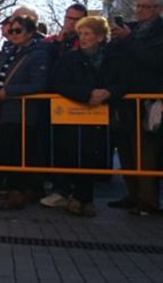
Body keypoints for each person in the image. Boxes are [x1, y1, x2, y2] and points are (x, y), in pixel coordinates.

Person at [51, 16, 125, 217]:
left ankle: (85, 198)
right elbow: (58, 83)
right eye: (81, 34)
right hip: (74, 113)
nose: (83, 38)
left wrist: (108, 92)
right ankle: (77, 196)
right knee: (73, 153)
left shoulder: (114, 58)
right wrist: (86, 94)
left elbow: (124, 82)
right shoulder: (69, 58)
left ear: (100, 37)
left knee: (91, 155)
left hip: (101, 115)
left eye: (88, 34)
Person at [0, 15, 50, 212]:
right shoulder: (8, 51)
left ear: (29, 32)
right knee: (2, 152)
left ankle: (10, 191)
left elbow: (38, 84)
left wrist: (9, 91)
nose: (13, 34)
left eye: (18, 30)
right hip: (3, 109)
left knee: (14, 152)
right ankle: (0, 191)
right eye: (11, 31)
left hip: (22, 111)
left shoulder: (38, 53)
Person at [108, 0, 163, 216]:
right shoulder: (131, 29)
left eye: (146, 6)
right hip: (125, 98)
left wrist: (128, 40)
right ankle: (132, 193)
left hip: (150, 98)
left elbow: (155, 61)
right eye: (138, 6)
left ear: (158, 9)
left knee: (147, 150)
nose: (140, 10)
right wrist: (116, 40)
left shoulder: (158, 32)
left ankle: (148, 200)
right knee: (127, 147)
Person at [40, 3, 88, 209]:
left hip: (81, 105)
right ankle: (60, 189)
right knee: (59, 147)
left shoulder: (88, 44)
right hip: (57, 104)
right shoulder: (55, 43)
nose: (70, 23)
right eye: (68, 18)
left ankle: (82, 196)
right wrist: (56, 43)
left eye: (76, 19)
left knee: (81, 151)